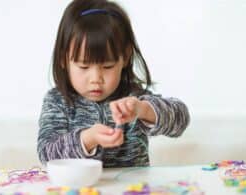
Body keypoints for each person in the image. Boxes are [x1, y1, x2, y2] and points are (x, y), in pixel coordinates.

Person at [37, 0, 190, 167]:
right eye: (84, 66)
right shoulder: (58, 101)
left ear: (124, 57)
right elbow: (46, 154)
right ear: (63, 59)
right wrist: (88, 138)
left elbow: (181, 120)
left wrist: (143, 110)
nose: (96, 78)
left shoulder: (133, 97)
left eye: (107, 66)